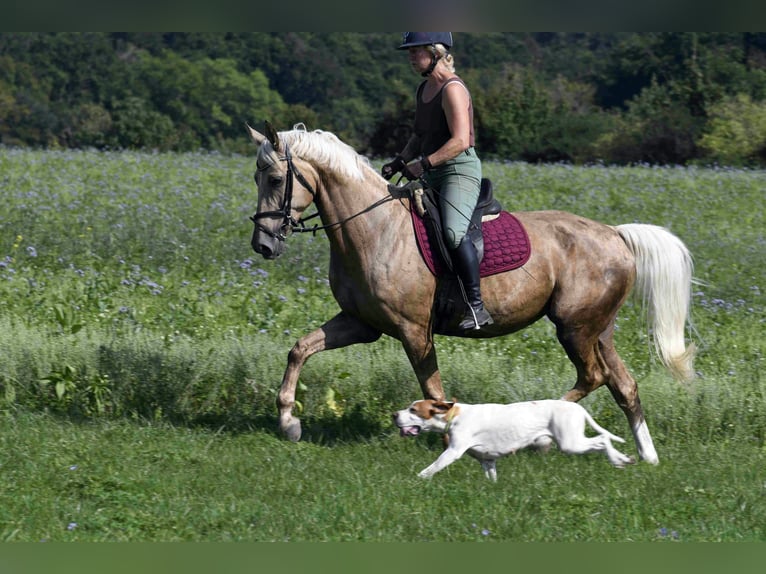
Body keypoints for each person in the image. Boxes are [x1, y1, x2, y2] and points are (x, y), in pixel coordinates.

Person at [382, 32, 493, 330]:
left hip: (458, 171)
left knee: (453, 232)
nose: (410, 56)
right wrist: (401, 161)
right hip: (431, 170)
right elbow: (419, 136)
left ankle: (476, 305)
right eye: (410, 51)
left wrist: (424, 163)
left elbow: (459, 141)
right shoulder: (424, 89)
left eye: (415, 51)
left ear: (435, 51)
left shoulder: (453, 89)